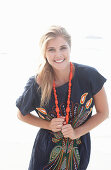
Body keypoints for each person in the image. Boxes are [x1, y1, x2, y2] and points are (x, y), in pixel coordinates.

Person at [16, 25, 109, 170]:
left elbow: (103, 113)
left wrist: (76, 132)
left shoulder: (89, 76)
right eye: (51, 49)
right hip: (45, 152)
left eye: (63, 48)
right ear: (44, 53)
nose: (58, 54)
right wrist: (48, 125)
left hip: (79, 150)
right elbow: (21, 114)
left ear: (70, 48)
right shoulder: (37, 83)